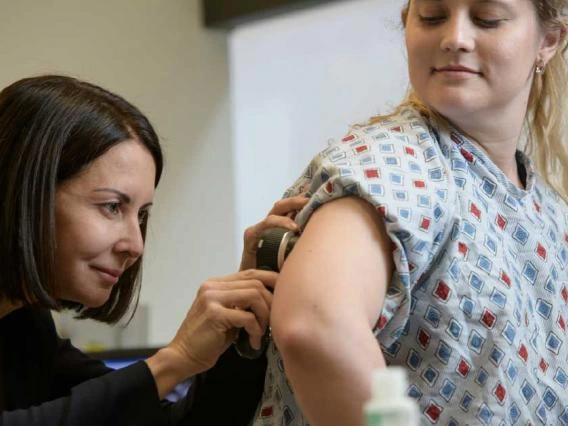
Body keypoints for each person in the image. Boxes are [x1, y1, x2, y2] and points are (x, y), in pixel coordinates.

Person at [248, 0, 568, 425]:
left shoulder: (551, 213)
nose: (455, 39)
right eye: (433, 17)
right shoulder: (391, 166)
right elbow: (314, 327)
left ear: (549, 40)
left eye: (487, 19)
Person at [0, 74, 308, 426]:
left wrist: (242, 326)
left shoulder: (24, 329)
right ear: (25, 193)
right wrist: (175, 359)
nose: (135, 245)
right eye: (112, 207)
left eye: (142, 215)